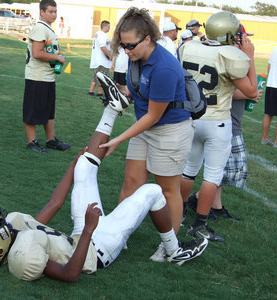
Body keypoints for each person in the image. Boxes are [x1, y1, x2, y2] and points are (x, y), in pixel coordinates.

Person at [0, 98, 209, 282]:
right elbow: (69, 274)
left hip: (81, 234)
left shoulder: (17, 230)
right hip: (99, 248)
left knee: (84, 166)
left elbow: (53, 204)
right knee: (152, 191)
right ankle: (174, 250)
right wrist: (91, 228)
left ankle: (113, 107)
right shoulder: (22, 257)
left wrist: (73, 166)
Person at [97, 7, 194, 262]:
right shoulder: (135, 57)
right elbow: (136, 87)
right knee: (131, 183)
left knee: (168, 191)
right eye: (123, 46)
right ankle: (116, 234)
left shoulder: (165, 67)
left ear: (148, 38)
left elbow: (154, 116)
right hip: (146, 127)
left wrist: (117, 139)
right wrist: (123, 93)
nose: (127, 51)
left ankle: (170, 247)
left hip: (170, 131)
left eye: (131, 46)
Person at [178, 11, 258, 242]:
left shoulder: (188, 47)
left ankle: (180, 212)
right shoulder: (231, 55)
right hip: (217, 122)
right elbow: (252, 91)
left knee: (189, 170)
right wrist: (250, 56)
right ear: (229, 33)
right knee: (212, 175)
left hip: (192, 117)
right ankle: (199, 225)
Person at [23, 0, 70, 153]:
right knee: (33, 111)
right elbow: (37, 53)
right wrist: (57, 58)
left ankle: (51, 140)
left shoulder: (47, 28)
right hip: (37, 77)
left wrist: (56, 55)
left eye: (55, 12)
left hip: (47, 77)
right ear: (42, 12)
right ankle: (32, 142)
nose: (54, 14)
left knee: (48, 111)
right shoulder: (40, 28)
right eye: (50, 11)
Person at [261, 41, 277, 148]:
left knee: (268, 113)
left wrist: (271, 79)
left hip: (271, 84)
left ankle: (264, 139)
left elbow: (269, 65)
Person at [88, 20, 112, 97]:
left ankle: (91, 92)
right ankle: (100, 93)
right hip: (102, 61)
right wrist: (109, 56)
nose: (109, 28)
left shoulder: (98, 34)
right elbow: (103, 47)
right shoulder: (102, 35)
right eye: (108, 26)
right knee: (102, 78)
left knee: (95, 78)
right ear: (104, 26)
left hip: (97, 60)